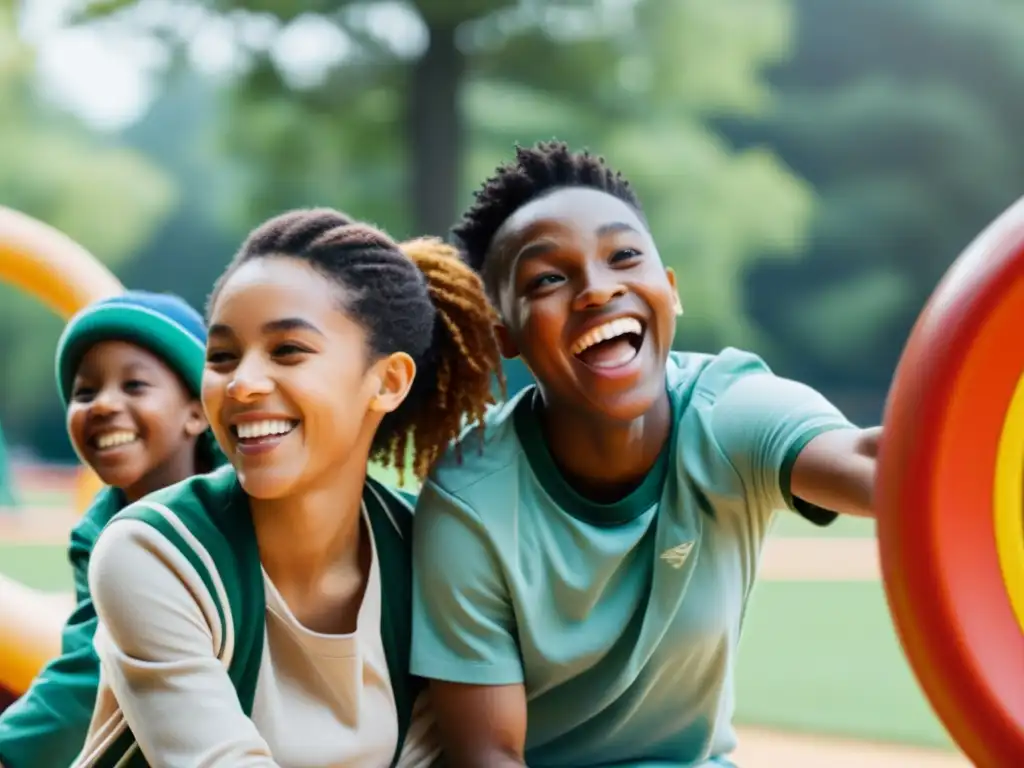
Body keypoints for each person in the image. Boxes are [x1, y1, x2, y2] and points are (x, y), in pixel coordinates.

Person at [411, 141, 881, 767]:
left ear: (669, 289)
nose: (597, 290)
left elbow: (881, 469)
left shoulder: (730, 412)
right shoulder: (469, 499)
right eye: (548, 278)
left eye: (625, 256)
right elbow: (490, 756)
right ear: (507, 335)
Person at [72, 209, 502, 767]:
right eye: (222, 356)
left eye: (288, 350)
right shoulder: (153, 553)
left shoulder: (432, 558)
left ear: (388, 381)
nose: (243, 384)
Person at [0, 291, 218, 768]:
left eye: (134, 385)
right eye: (84, 392)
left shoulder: (243, 504)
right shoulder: (98, 535)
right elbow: (91, 668)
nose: (103, 405)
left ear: (197, 411)